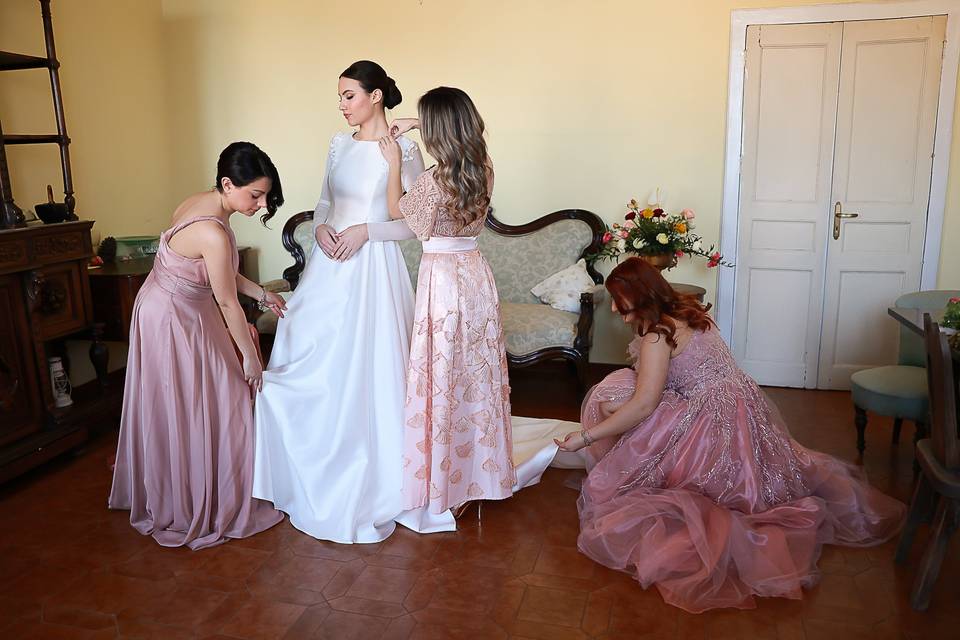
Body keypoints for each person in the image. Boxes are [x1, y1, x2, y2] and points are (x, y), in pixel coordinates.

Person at [555, 257, 906, 613]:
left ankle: (628, 458)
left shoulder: (658, 335)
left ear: (641, 296)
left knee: (614, 401)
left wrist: (585, 437)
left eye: (619, 299)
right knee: (618, 390)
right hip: (742, 405)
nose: (614, 307)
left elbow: (646, 405)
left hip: (708, 416)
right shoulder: (690, 312)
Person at [253, 61, 456, 543]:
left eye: (349, 95)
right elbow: (325, 201)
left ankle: (371, 470)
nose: (342, 105)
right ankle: (305, 462)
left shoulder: (404, 149)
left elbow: (411, 222)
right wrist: (321, 226)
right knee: (309, 350)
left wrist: (366, 232)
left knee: (366, 367)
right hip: (328, 265)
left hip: (372, 268)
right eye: (340, 97)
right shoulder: (337, 144)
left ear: (377, 96)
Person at [109, 141, 286, 550]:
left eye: (264, 195)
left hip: (170, 306)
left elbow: (218, 274)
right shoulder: (211, 230)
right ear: (228, 183)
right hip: (172, 317)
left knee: (196, 398)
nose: (260, 204)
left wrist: (261, 293)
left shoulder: (202, 202)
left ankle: (189, 484)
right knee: (217, 396)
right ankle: (195, 497)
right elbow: (225, 299)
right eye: (255, 194)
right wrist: (249, 358)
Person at [382, 87, 516, 518]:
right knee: (476, 374)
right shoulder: (484, 168)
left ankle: (445, 481)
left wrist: (394, 164)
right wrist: (422, 121)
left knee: (442, 372)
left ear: (437, 130)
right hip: (476, 274)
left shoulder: (434, 181)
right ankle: (481, 473)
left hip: (441, 279)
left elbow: (396, 210)